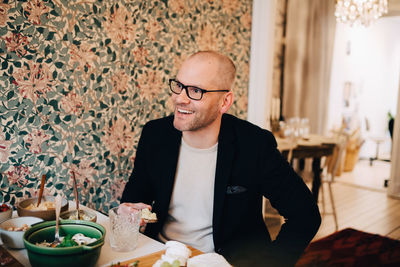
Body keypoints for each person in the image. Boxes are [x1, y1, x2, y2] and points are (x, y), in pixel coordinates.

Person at [121, 51, 321, 266]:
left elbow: (305, 215)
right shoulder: (155, 134)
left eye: (195, 91)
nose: (180, 98)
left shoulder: (254, 145)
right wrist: (129, 211)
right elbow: (134, 198)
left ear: (224, 102)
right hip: (161, 255)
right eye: (178, 86)